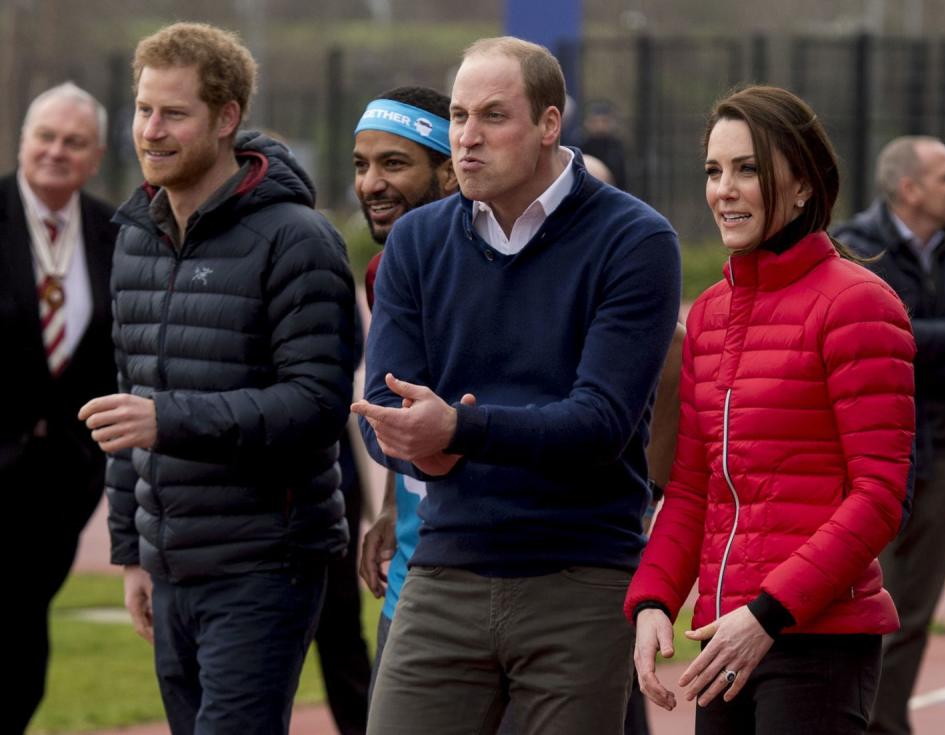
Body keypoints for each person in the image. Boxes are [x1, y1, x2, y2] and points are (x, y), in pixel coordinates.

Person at [352, 36, 681, 734]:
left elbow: (599, 423)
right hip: (444, 568)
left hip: (581, 574)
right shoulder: (416, 243)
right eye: (460, 117)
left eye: (493, 117)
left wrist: (460, 433)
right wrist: (418, 450)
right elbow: (383, 404)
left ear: (549, 125)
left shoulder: (635, 240)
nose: (466, 139)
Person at [77, 22, 355, 734]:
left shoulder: (298, 238)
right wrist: (132, 551)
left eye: (174, 113)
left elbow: (317, 404)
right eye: (143, 110)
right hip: (170, 566)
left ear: (227, 118)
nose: (151, 130)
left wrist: (167, 419)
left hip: (268, 563)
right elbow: (125, 402)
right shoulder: (135, 234)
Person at [626, 85, 916, 735]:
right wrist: (653, 598)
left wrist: (768, 613)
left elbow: (879, 496)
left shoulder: (858, 304)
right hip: (724, 635)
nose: (723, 189)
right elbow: (694, 485)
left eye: (747, 168)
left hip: (817, 639)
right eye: (713, 170)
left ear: (805, 186)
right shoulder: (708, 314)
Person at [833, 136, 945, 735]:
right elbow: (896, 337)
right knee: (868, 605)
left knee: (915, 613)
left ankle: (886, 724)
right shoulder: (859, 248)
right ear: (909, 189)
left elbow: (919, 338)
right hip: (877, 457)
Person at [2, 82, 117, 734]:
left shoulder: (114, 232)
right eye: (45, 136)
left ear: (96, 155)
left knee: (24, 638)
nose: (55, 151)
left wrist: (89, 460)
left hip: (61, 484)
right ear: (22, 140)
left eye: (73, 142)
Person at [351, 86, 458, 689]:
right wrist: (393, 504)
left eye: (394, 163)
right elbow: (398, 396)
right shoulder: (380, 271)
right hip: (412, 573)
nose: (371, 184)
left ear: (449, 172)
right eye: (362, 166)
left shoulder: (493, 260)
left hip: (510, 576)